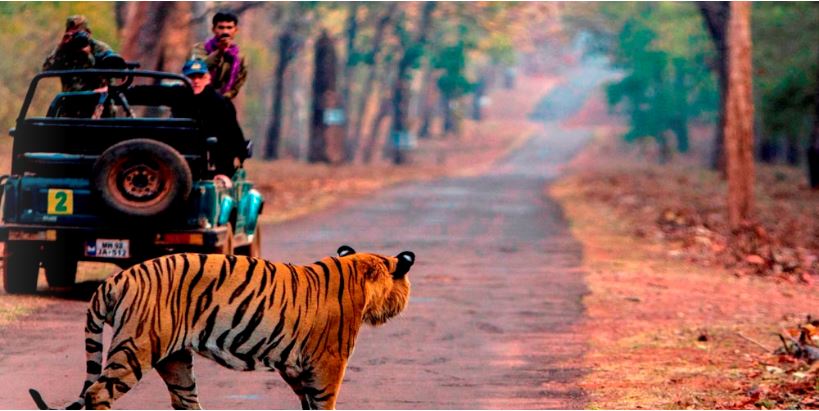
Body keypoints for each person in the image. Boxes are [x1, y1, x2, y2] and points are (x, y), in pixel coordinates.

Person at [182, 59, 248, 176]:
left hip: (215, 156)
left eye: (200, 77)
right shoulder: (179, 96)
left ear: (208, 78)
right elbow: (152, 93)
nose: (196, 81)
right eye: (192, 77)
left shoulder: (220, 102)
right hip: (182, 156)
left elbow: (232, 130)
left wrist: (239, 154)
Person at [42, 15, 114, 91]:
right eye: (73, 34)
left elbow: (113, 73)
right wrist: (60, 47)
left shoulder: (99, 48)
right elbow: (46, 69)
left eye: (79, 34)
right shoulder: (65, 50)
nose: (77, 38)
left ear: (88, 33)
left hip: (97, 97)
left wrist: (87, 54)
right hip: (71, 98)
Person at [191, 12, 248, 100]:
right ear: (213, 29)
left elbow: (238, 83)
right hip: (197, 97)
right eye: (221, 27)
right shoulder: (200, 48)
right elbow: (200, 68)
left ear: (236, 30)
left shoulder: (239, 57)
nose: (225, 32)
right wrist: (220, 51)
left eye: (229, 28)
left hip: (221, 102)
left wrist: (222, 99)